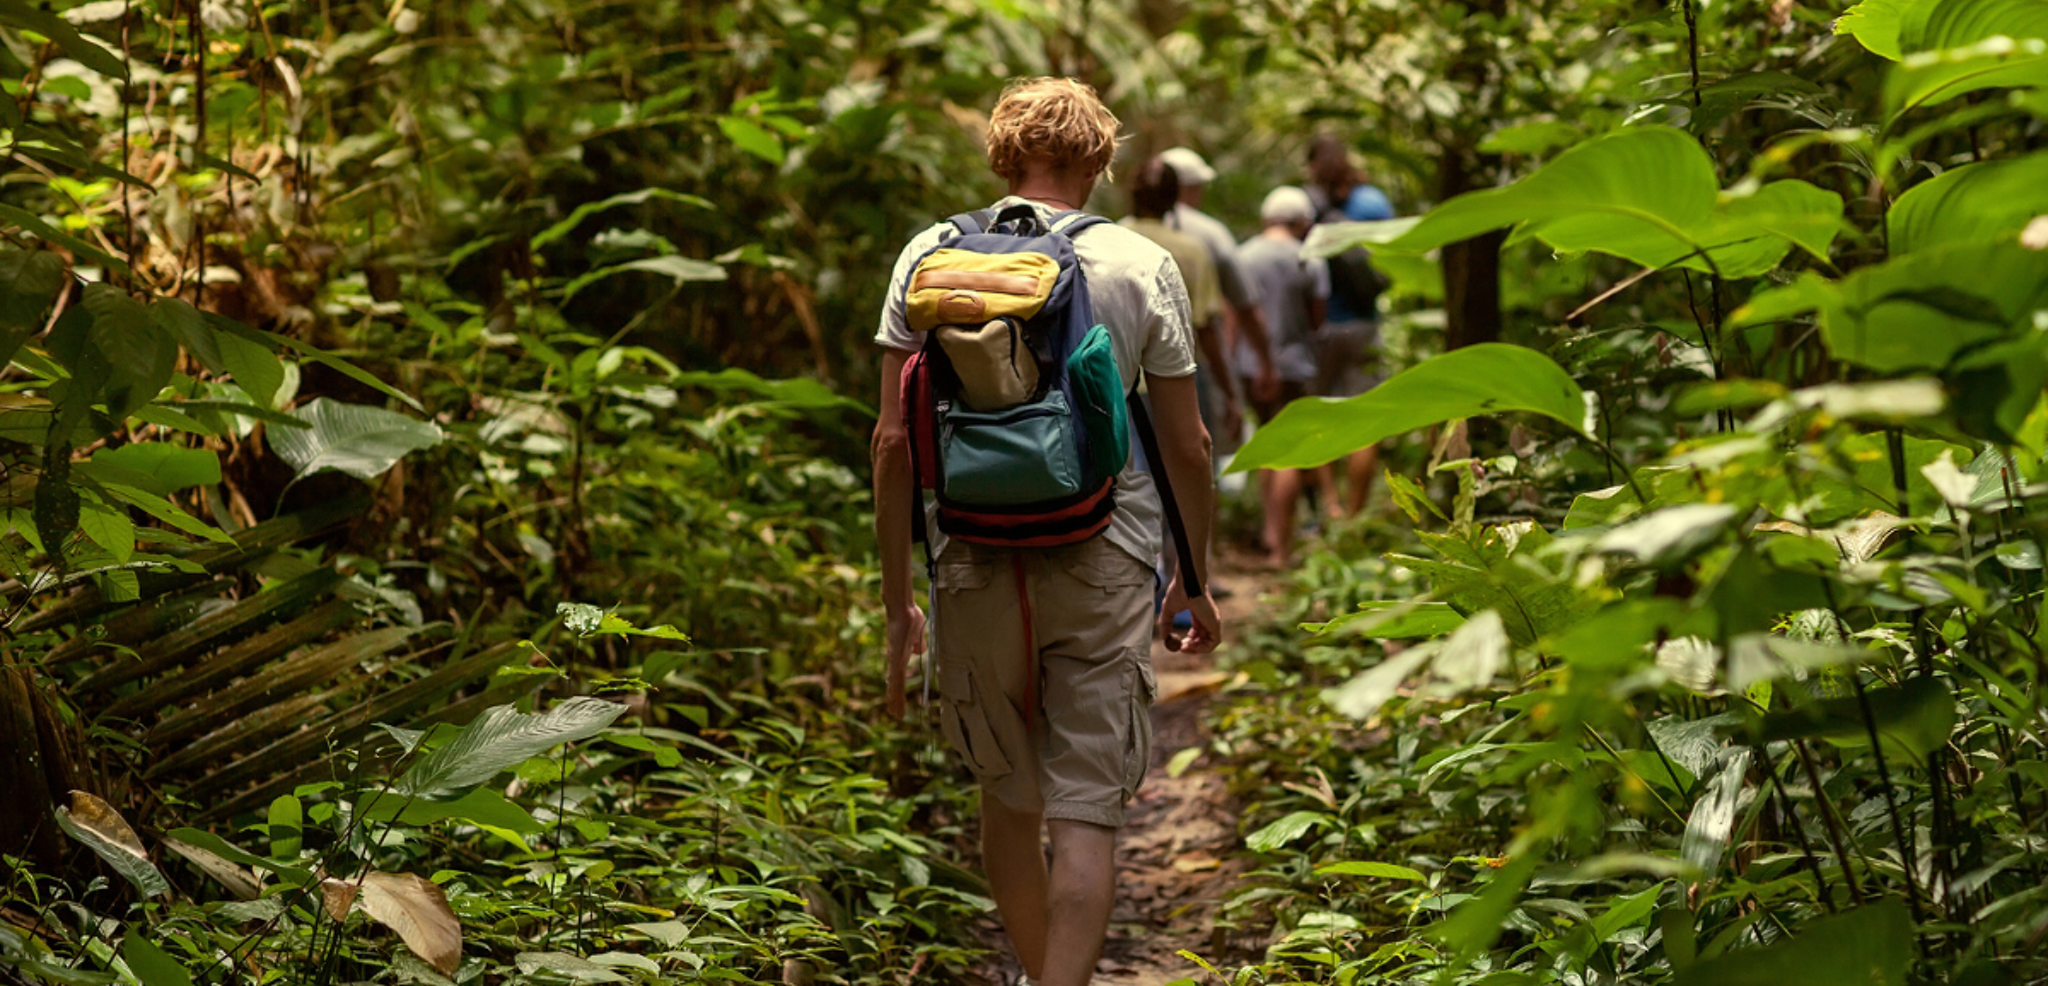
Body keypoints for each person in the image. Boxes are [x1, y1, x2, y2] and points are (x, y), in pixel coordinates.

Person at [870, 77, 1222, 986]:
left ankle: (1036, 974)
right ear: (1100, 162)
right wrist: (1195, 579)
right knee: (1087, 813)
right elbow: (1189, 444)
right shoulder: (1141, 265)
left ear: (1002, 154)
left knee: (1006, 798)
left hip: (973, 556)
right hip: (1103, 553)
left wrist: (896, 601)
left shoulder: (928, 254)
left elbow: (891, 444)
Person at [1157, 146, 1278, 452]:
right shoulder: (1211, 234)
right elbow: (1245, 305)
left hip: (1135, 370)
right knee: (1197, 456)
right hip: (1197, 366)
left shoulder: (1126, 228)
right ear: (1191, 188)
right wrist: (1265, 360)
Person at [1233, 186, 1327, 569]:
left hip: (1248, 365)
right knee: (1287, 451)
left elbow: (1233, 314)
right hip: (1293, 364)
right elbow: (1318, 318)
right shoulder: (1309, 258)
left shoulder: (1243, 256)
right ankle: (1282, 548)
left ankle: (1270, 533)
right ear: (1302, 221)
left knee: (1264, 443)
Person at [1306, 134, 1395, 517]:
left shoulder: (1307, 204)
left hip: (1323, 327)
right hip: (1364, 325)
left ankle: (1330, 504)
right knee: (1363, 420)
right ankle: (1356, 514)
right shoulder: (1372, 202)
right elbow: (1392, 259)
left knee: (1320, 416)